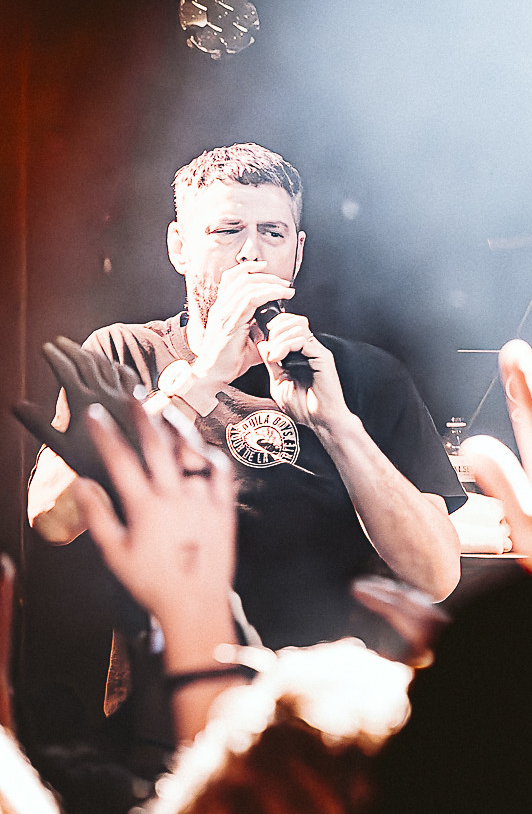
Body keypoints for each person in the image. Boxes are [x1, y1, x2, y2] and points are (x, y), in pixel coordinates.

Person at [27, 144, 462, 650]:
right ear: (179, 247)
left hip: (323, 688)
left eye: (272, 233)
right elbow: (52, 518)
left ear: (297, 252)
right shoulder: (123, 353)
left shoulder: (366, 374)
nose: (251, 252)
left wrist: (338, 426)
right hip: (177, 689)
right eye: (227, 231)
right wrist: (200, 380)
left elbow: (436, 576)